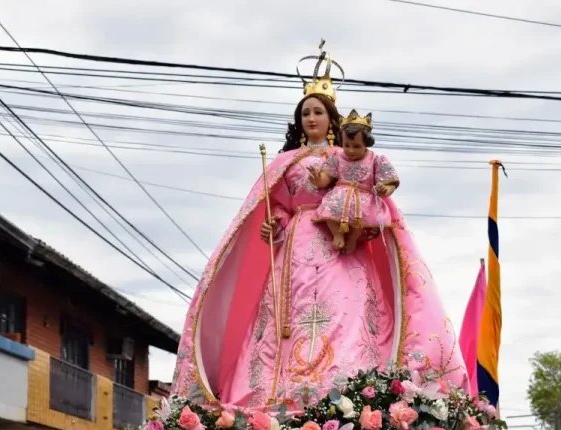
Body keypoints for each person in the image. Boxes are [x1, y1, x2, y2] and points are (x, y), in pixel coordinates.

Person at [170, 49, 468, 409]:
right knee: (286, 317)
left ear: (332, 120)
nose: (312, 118)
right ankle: (274, 395)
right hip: (295, 245)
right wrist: (274, 221)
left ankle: (350, 395)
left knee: (345, 313)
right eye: (306, 112)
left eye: (318, 112)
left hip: (339, 246)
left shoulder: (346, 159)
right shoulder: (284, 162)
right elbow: (277, 203)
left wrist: (367, 220)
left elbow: (368, 191)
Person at [310, 110, 399, 253]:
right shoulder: (337, 156)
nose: (350, 150)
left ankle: (352, 239)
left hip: (363, 197)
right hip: (340, 195)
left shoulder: (375, 159)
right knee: (329, 208)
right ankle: (337, 234)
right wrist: (318, 180)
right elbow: (327, 177)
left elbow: (389, 181)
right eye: (346, 145)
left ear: (366, 144)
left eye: (356, 146)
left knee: (362, 216)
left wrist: (385, 189)